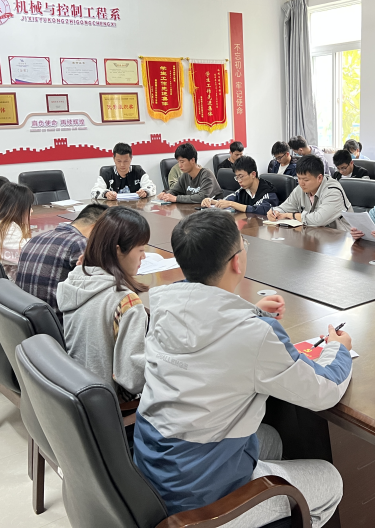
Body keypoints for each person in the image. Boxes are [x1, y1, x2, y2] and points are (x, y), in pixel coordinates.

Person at [134, 211, 352, 526]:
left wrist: (249, 313)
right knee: (329, 480)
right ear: (237, 262)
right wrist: (338, 349)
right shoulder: (254, 335)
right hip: (202, 503)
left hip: (154, 473)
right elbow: (323, 391)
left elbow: (209, 324)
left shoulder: (163, 307)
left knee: (272, 439)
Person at [57, 207, 149, 400]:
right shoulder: (126, 302)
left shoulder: (75, 279)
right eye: (141, 250)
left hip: (74, 386)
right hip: (107, 397)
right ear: (118, 250)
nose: (144, 256)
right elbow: (133, 380)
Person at [16, 203, 107, 322]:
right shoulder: (80, 243)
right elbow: (102, 291)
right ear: (95, 228)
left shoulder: (35, 238)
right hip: (59, 326)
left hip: (27, 322)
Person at [267, 155, 351, 229]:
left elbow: (318, 220)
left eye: (306, 180)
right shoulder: (301, 188)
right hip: (314, 235)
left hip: (340, 237)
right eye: (299, 178)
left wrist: (292, 215)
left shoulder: (333, 191)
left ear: (319, 178)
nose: (301, 183)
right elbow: (285, 207)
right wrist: (275, 212)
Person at [201, 156, 279, 215]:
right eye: (237, 177)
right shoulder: (243, 190)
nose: (239, 181)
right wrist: (210, 201)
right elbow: (226, 201)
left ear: (253, 174)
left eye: (241, 176)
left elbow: (261, 209)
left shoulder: (268, 192)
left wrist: (232, 204)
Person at [157, 143, 222, 203]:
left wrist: (176, 198)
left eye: (182, 162)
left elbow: (202, 197)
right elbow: (175, 190)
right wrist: (166, 194)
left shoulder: (206, 174)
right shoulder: (185, 175)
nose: (179, 165)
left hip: (212, 209)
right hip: (193, 208)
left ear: (192, 160)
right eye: (178, 162)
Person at [90, 142, 156, 200]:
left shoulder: (138, 171)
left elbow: (152, 187)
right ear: (113, 158)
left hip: (135, 207)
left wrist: (145, 192)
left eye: (126, 161)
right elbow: (94, 192)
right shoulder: (106, 173)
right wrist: (106, 194)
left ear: (131, 158)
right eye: (119, 161)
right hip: (113, 208)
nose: (122, 165)